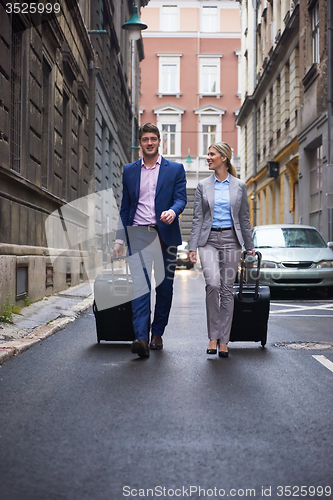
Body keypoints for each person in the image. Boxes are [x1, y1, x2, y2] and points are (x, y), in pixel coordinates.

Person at [113, 123, 187, 358]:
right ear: (140, 143)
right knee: (140, 287)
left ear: (159, 141)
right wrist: (119, 238)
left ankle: (157, 333)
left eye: (153, 138)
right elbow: (125, 208)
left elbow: (181, 198)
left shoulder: (175, 169)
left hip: (166, 235)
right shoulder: (129, 171)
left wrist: (173, 212)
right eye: (145, 139)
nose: (149, 142)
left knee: (164, 288)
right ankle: (141, 338)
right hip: (138, 234)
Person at [189, 142, 255, 358]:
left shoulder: (239, 186)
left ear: (223, 158)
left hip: (231, 239)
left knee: (227, 289)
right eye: (208, 154)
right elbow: (198, 218)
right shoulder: (202, 186)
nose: (208, 157)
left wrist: (250, 246)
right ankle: (213, 336)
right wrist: (192, 246)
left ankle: (224, 340)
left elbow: (244, 218)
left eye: (212, 154)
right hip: (208, 239)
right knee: (213, 285)